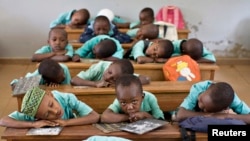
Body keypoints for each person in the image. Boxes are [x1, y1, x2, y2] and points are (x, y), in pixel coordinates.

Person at [0, 86, 100, 128]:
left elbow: (95, 117)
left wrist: (67, 122)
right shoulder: (33, 113)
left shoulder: (67, 98)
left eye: (51, 104)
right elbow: (3, 121)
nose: (55, 111)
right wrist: (33, 124)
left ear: (50, 95)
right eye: (47, 114)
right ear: (38, 118)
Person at [173, 80, 250, 124]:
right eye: (200, 99)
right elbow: (179, 115)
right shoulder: (198, 88)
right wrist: (209, 114)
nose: (200, 106)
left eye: (206, 108)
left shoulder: (231, 98)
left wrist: (226, 116)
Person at [71, 59, 150, 88]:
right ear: (110, 65)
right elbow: (74, 80)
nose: (108, 78)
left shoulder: (123, 74)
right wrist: (94, 84)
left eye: (114, 79)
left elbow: (146, 79)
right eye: (109, 72)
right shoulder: (100, 67)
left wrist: (122, 83)